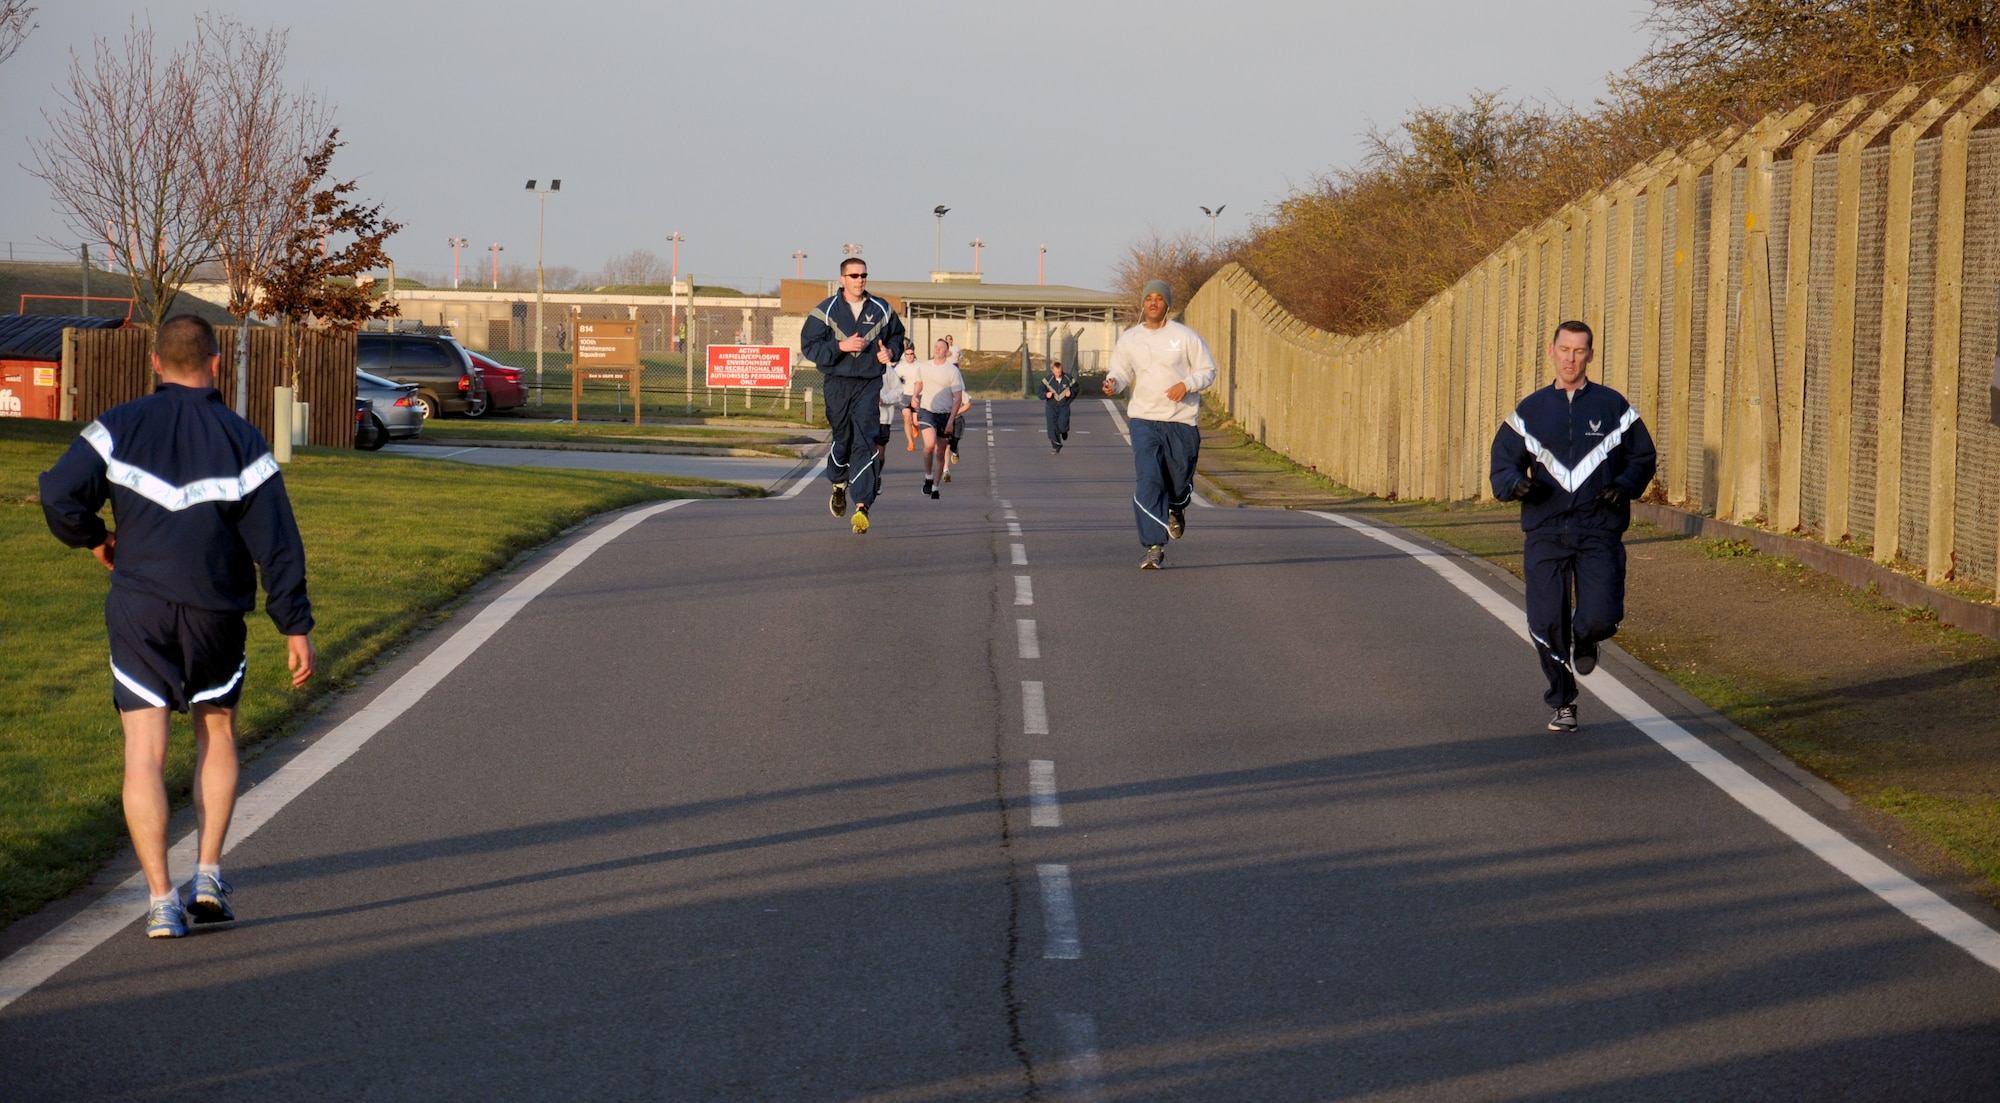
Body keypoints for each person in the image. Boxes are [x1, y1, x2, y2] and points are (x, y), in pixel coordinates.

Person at [39, 315, 316, 939]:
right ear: (217, 363)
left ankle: (162, 901)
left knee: (144, 752)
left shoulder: (118, 425)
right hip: (216, 611)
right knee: (215, 732)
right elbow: (278, 543)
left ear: (155, 362)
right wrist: (294, 624)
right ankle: (210, 872)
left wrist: (95, 539)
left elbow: (58, 494)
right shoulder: (243, 438)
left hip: (139, 611)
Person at [1489, 320, 1657, 733]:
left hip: (1598, 527)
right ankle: (1563, 702)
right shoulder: (1529, 412)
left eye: (1579, 351)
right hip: (1545, 529)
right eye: (1564, 349)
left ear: (1591, 356)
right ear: (1551, 351)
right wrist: (1516, 484)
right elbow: (1502, 464)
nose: (1570, 358)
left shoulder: (1613, 407)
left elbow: (1643, 457)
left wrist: (1625, 485)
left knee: (1599, 616)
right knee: (1545, 622)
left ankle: (1587, 638)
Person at [1102, 279, 1217, 569]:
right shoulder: (1130, 338)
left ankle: (1176, 509)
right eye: (1149, 298)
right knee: (1149, 480)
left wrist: (1187, 384)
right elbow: (1121, 371)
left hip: (1181, 420)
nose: (1153, 302)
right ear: (1143, 304)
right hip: (1144, 420)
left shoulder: (1185, 336)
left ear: (1167, 304)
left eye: (1159, 298)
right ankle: (1154, 546)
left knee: (1178, 483)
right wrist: (1113, 383)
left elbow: (1207, 370)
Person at [800, 258, 907, 534]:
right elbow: (810, 346)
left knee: (865, 439)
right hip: (837, 382)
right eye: (854, 275)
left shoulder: (882, 308)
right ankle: (838, 483)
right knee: (842, 438)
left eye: (864, 275)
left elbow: (897, 337)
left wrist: (891, 353)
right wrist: (841, 346)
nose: (860, 280)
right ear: (842, 279)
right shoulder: (825, 311)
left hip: (869, 383)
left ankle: (862, 505)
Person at [911, 338, 969, 499]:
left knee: (940, 451)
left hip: (945, 414)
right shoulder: (924, 366)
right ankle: (928, 476)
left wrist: (951, 421)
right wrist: (915, 396)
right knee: (929, 445)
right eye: (935, 347)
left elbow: (957, 398)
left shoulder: (952, 371)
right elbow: (919, 383)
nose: (937, 349)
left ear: (946, 352)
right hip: (927, 410)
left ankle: (935, 487)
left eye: (941, 348)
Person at [1041, 358, 1076, 452]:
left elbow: (1076, 388)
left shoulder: (1068, 378)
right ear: (1053, 370)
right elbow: (1040, 391)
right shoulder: (1048, 380)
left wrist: (1071, 393)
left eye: (1060, 372)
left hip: (1064, 405)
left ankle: (1064, 432)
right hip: (1051, 406)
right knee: (1052, 427)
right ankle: (1056, 445)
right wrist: (1046, 395)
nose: (1058, 374)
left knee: (1062, 425)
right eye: (1056, 372)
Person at [896, 344, 923, 452]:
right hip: (904, 395)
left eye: (911, 354)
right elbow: (894, 378)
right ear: (905, 355)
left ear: (914, 354)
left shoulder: (920, 365)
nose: (909, 356)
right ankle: (910, 442)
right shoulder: (900, 366)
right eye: (907, 354)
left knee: (916, 421)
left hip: (917, 396)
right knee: (907, 417)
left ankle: (915, 427)